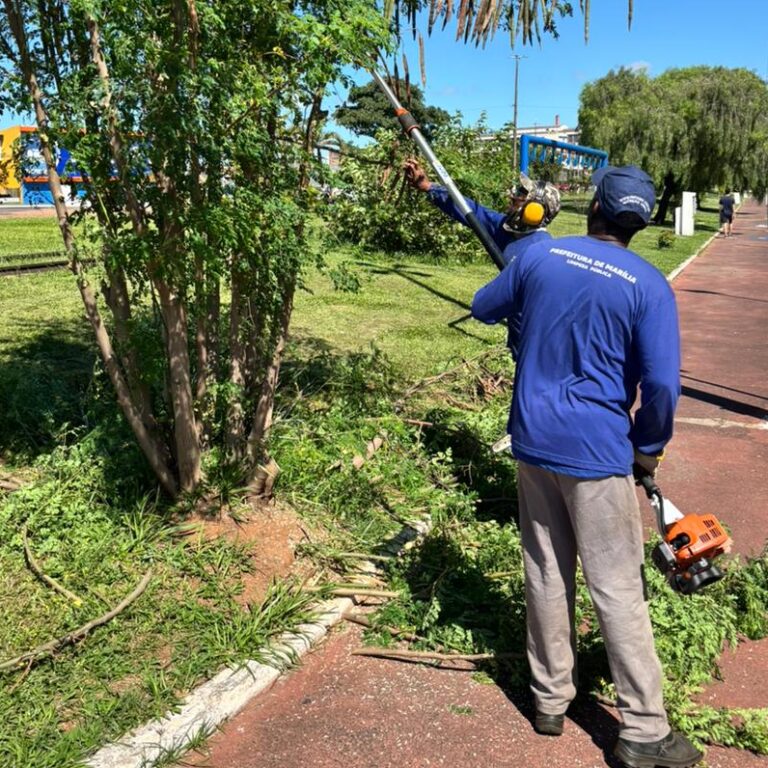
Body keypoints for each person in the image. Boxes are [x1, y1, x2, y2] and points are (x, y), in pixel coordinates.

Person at [470, 165, 702, 768]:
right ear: (641, 224)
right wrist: (646, 449)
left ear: (592, 206)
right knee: (618, 586)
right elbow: (661, 385)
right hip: (599, 453)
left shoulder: (540, 256)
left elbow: (482, 306)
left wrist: (528, 286)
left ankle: (550, 699)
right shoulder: (649, 286)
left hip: (533, 439)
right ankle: (645, 730)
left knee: (546, 570)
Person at [403, 157, 561, 360]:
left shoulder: (539, 250)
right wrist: (428, 187)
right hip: (519, 341)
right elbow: (471, 211)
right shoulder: (509, 229)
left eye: (522, 195)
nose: (513, 196)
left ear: (534, 211)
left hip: (538, 348)